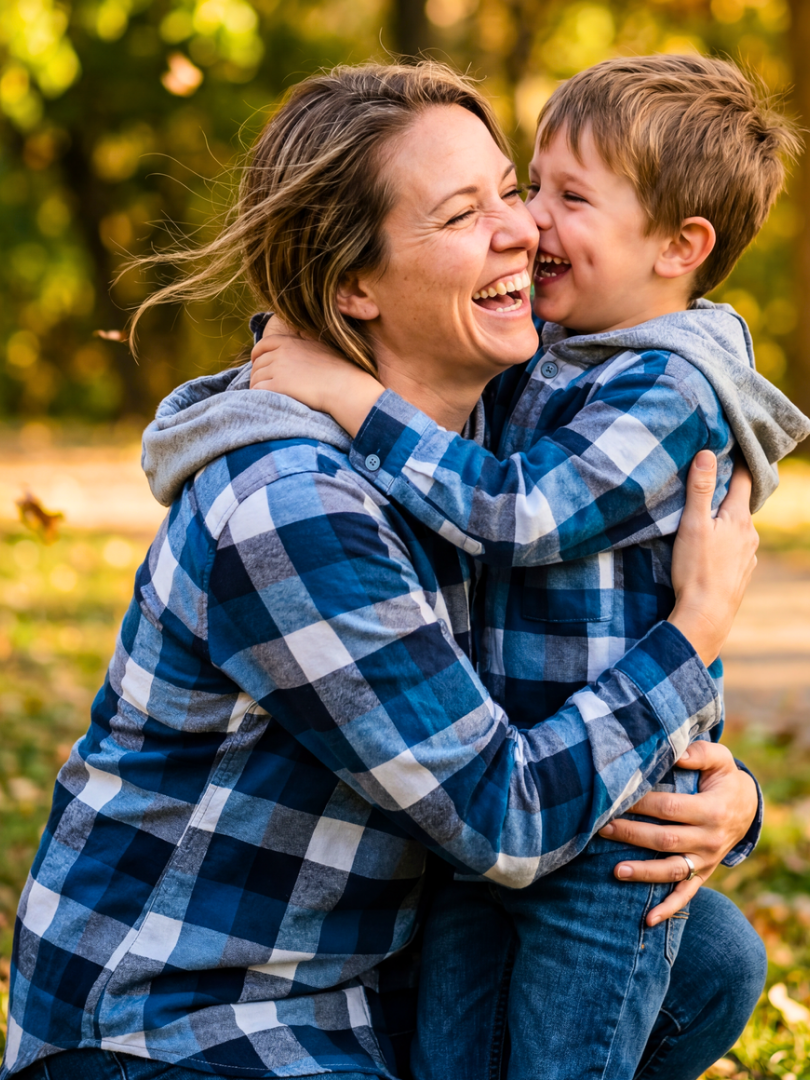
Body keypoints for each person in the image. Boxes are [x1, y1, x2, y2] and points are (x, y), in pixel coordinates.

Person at [1, 62, 761, 1080]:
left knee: (705, 958)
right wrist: (695, 633)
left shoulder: (507, 435)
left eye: (513, 188)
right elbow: (506, 818)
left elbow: (568, 669)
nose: (525, 229)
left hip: (362, 986)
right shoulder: (290, 505)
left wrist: (726, 802)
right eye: (464, 213)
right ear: (355, 283)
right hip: (183, 1025)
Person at [247, 55, 810, 1080]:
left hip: (604, 818)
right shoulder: (557, 352)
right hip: (504, 790)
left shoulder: (672, 384)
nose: (533, 223)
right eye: (524, 188)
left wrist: (349, 399)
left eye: (569, 197)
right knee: (452, 1057)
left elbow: (517, 514)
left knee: (566, 1060)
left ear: (681, 247)